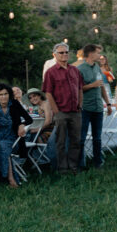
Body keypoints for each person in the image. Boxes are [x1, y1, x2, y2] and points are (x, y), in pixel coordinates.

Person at [42, 42, 84, 173]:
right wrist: (55, 111)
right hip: (61, 111)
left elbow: (80, 88)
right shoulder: (51, 72)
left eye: (66, 52)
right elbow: (48, 92)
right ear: (55, 55)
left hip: (75, 111)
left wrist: (80, 105)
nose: (65, 54)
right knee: (60, 141)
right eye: (61, 52)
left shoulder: (75, 70)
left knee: (76, 140)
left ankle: (73, 166)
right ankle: (62, 168)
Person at [0, 83, 33, 188]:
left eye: (6, 94)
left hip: (13, 138)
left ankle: (11, 179)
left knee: (3, 146)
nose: (3, 96)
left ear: (9, 94)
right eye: (0, 94)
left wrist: (22, 124)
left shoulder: (15, 104)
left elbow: (29, 119)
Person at [77, 44, 113, 169]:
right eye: (98, 53)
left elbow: (102, 86)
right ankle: (81, 164)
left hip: (98, 107)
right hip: (85, 108)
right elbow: (78, 88)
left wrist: (108, 103)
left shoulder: (97, 67)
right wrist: (92, 85)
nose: (100, 55)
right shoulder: (80, 69)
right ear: (91, 54)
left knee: (97, 138)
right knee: (81, 138)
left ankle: (98, 162)